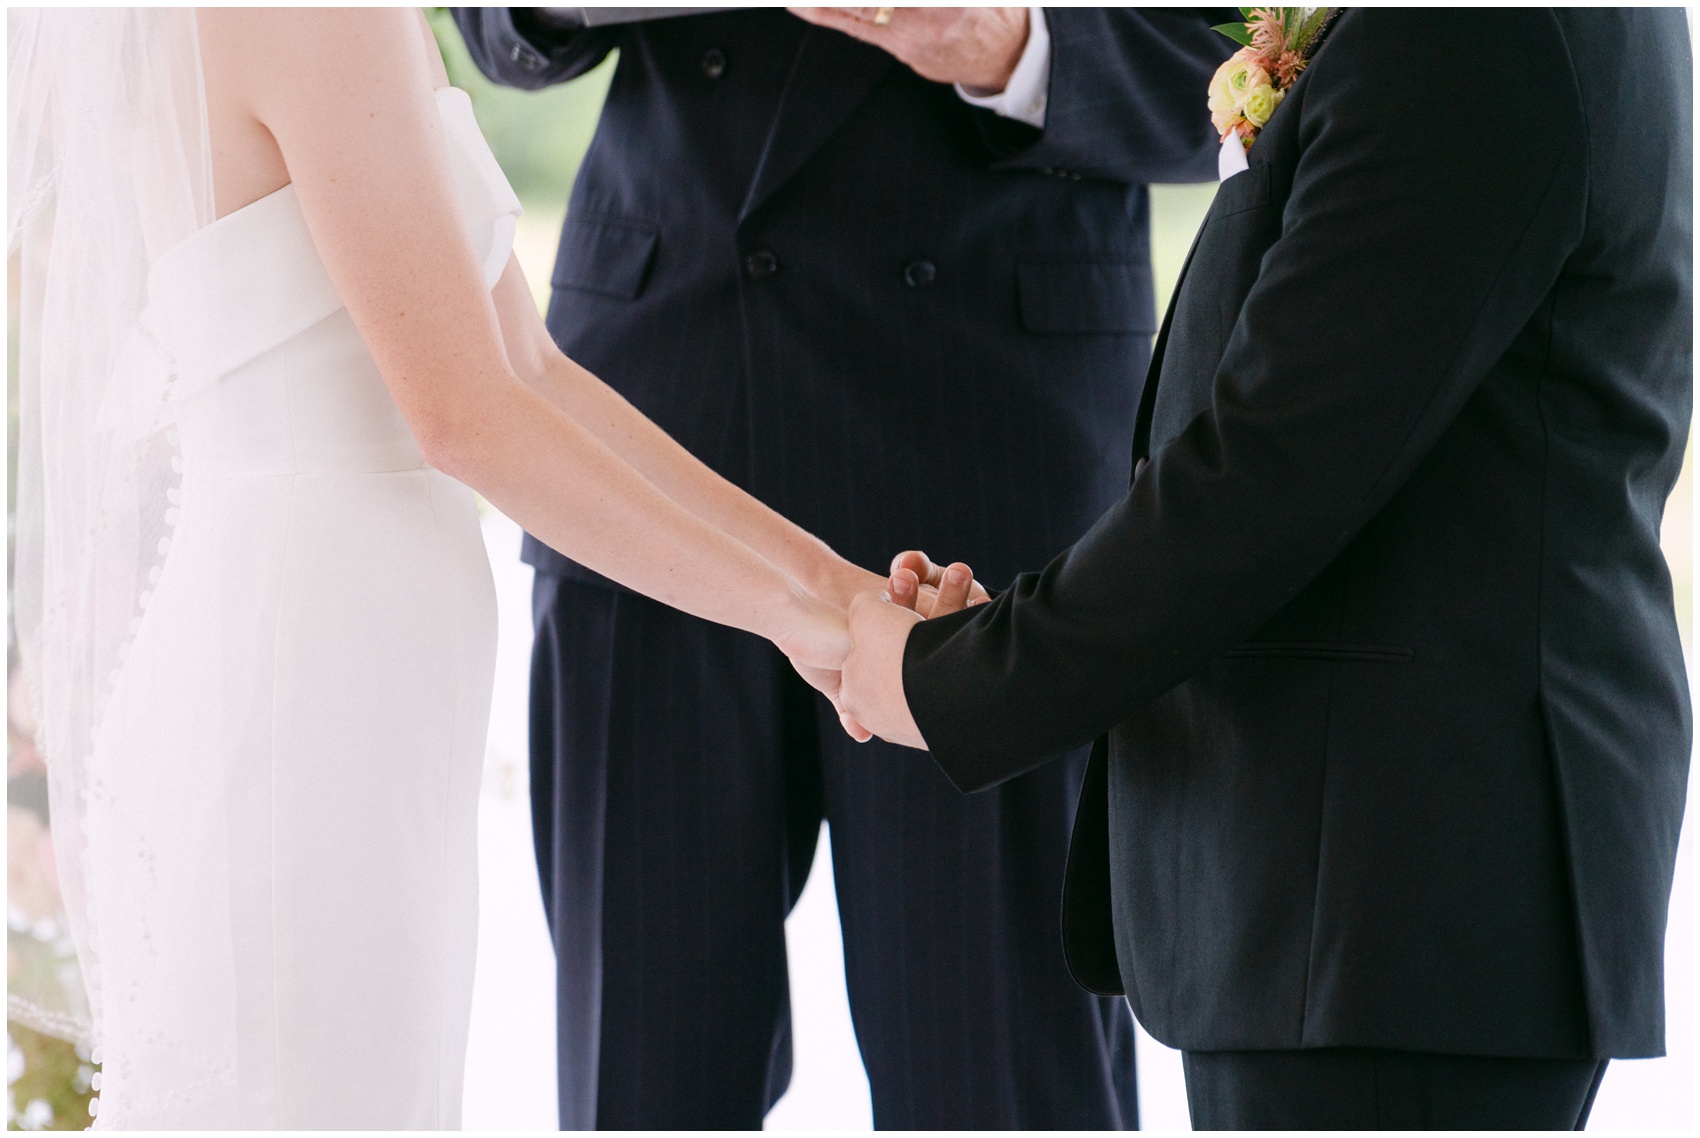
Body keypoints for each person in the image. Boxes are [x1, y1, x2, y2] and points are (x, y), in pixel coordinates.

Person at [8, 7, 924, 1127]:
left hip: (365, 667)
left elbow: (531, 371)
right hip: (304, 679)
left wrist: (836, 592)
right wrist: (816, 632)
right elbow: (469, 417)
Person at [841, 7, 1692, 1130]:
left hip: (1392, 908)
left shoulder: (1473, 31)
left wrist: (949, 677)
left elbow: (1267, 472)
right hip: (1344, 904)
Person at [451, 6, 1232, 1127]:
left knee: (996, 1083)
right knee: (640, 1083)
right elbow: (495, 27)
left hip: (987, 461)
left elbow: (1260, 59)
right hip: (653, 443)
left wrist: (1017, 50)